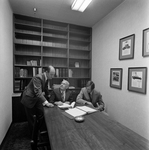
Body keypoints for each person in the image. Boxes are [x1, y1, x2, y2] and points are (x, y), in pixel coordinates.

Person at [21, 65, 55, 136]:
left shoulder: (46, 78)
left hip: (36, 99)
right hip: (29, 99)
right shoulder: (38, 77)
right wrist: (47, 103)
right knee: (32, 120)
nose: (53, 76)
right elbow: (38, 92)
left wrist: (49, 96)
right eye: (51, 74)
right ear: (46, 72)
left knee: (42, 114)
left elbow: (45, 88)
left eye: (53, 74)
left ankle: (40, 131)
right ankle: (34, 137)